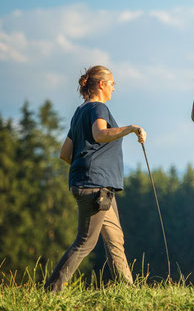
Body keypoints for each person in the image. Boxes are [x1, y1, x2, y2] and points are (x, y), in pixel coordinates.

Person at [44, 65, 146, 292]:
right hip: (94, 187)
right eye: (112, 83)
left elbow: (64, 153)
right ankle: (51, 290)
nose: (114, 88)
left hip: (97, 187)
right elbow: (100, 134)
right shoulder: (98, 108)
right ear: (101, 84)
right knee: (85, 242)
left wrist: (86, 168)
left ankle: (128, 291)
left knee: (115, 239)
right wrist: (130, 128)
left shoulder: (80, 112)